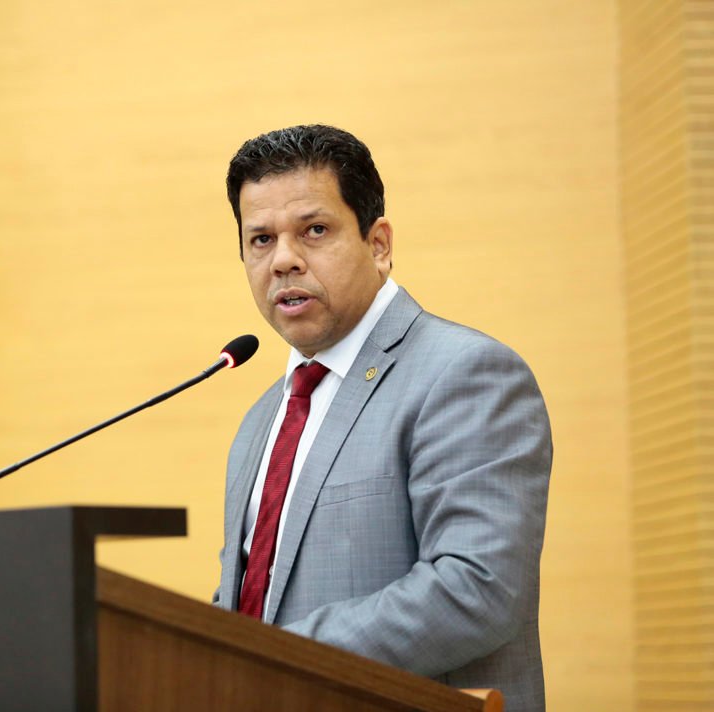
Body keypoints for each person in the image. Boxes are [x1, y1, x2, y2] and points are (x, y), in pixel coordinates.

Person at [213, 125, 552, 711]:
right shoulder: (261, 420)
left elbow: (478, 590)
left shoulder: (464, 374)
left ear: (378, 244)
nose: (284, 260)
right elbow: (250, 605)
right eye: (261, 239)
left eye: (314, 230)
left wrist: (269, 657)